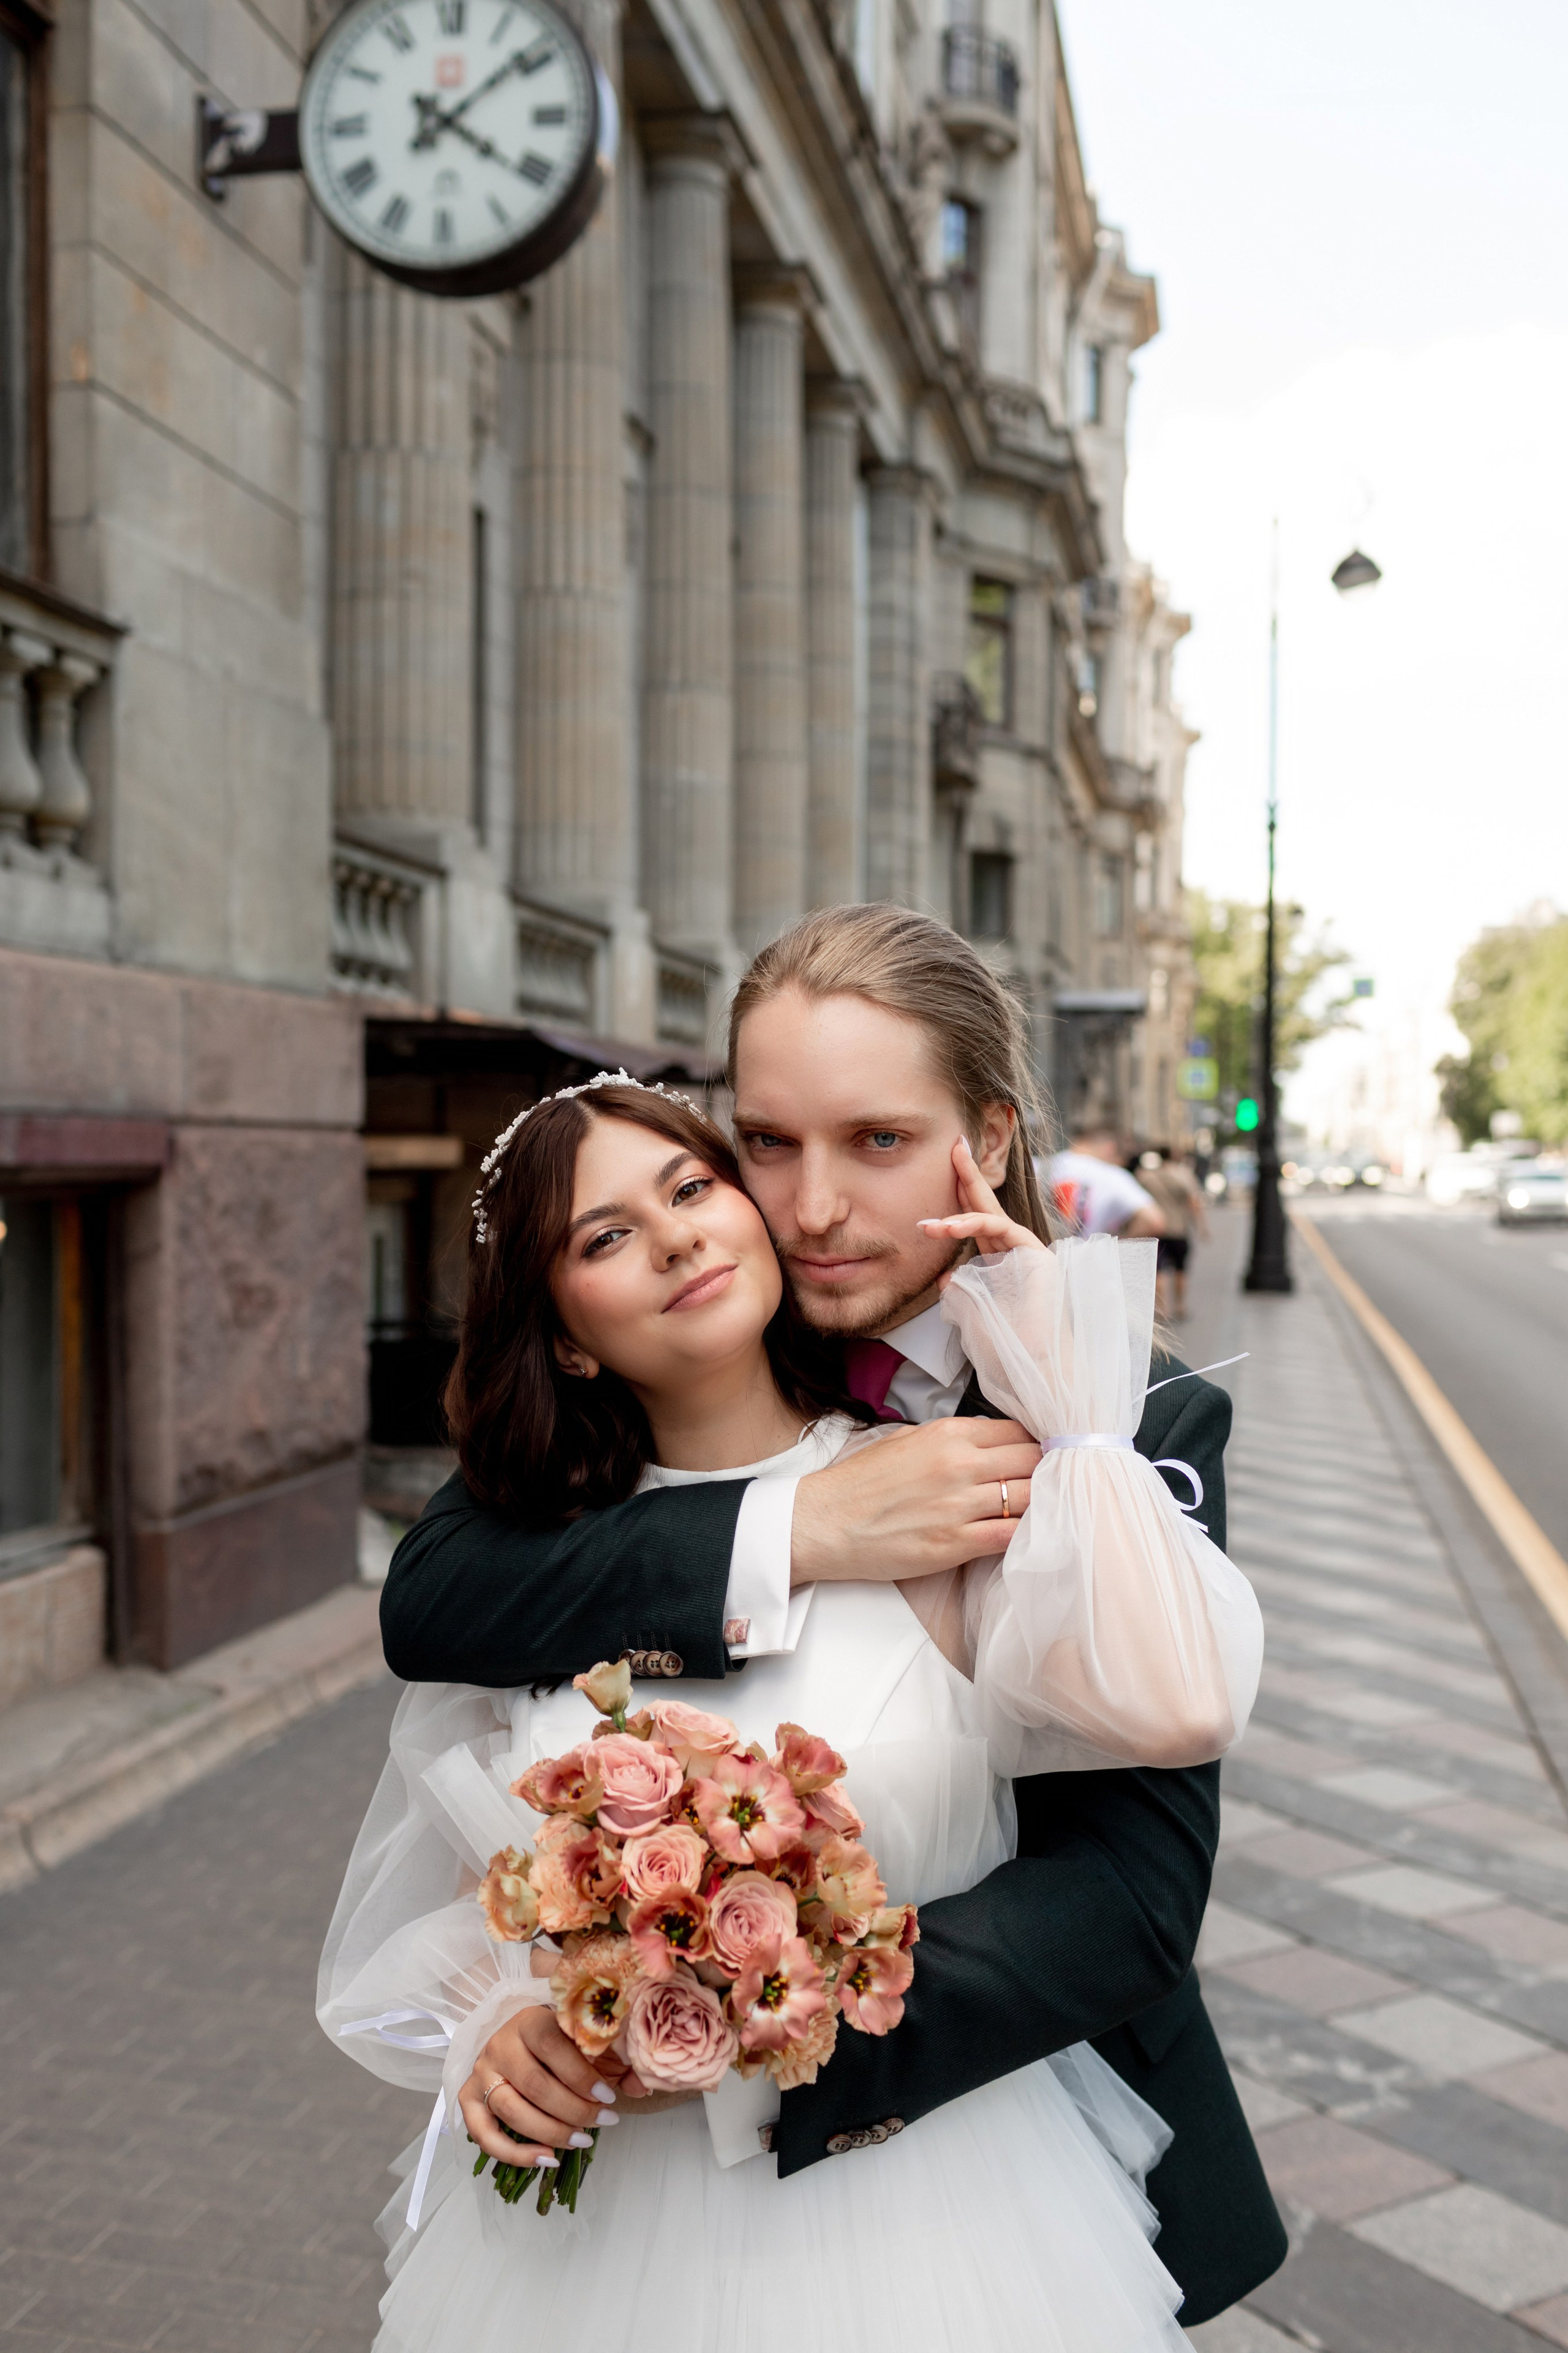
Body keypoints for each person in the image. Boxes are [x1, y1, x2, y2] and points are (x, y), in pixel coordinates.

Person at [377, 905, 1286, 2327]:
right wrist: (801, 1527)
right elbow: (444, 1594)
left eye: (873, 1141)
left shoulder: (1129, 1415)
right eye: (766, 1142)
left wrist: (740, 2027)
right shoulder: (701, 1332)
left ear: (979, 1139)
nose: (808, 1209)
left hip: (968, 2138)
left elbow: (1122, 1900)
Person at [1049, 1124, 1167, 1238]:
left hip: (1041, 1254)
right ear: (1110, 1148)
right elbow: (1155, 1222)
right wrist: (1114, 1246)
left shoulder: (1041, 1166)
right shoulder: (1113, 1175)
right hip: (1086, 1256)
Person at [1138, 1147, 1210, 1324]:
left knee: (1158, 1270)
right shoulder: (1184, 1175)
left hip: (1156, 1229)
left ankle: (1162, 1310)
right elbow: (1194, 1202)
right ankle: (1180, 1306)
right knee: (1181, 1269)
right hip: (1179, 1229)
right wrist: (1201, 1227)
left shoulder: (1148, 1177)